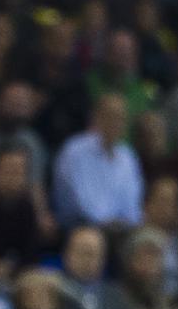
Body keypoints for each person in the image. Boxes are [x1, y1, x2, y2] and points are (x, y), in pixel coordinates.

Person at [51, 94, 143, 230]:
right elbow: (78, 201)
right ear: (96, 117)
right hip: (80, 225)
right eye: (110, 116)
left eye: (120, 118)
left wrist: (130, 224)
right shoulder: (75, 150)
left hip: (121, 229)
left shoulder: (128, 156)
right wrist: (106, 223)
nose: (115, 123)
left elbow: (132, 203)